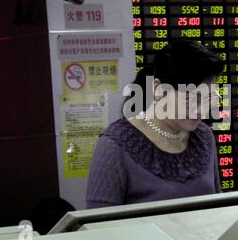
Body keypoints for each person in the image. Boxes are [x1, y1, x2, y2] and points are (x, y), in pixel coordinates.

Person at [86, 40, 224, 209]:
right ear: (159, 89)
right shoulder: (115, 145)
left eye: (207, 98)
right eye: (190, 99)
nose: (201, 110)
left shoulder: (203, 136)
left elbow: (218, 206)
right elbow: (98, 226)